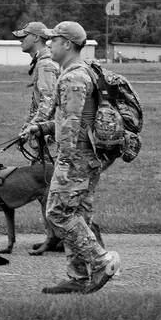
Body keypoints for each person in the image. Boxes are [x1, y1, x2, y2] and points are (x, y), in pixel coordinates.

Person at [21, 21, 121, 293]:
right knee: (78, 214)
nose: (49, 43)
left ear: (67, 43)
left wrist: (63, 162)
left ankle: (100, 262)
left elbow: (72, 124)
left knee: (57, 212)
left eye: (53, 39)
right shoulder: (80, 72)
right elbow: (70, 119)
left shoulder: (73, 78)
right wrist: (40, 127)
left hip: (76, 158)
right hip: (87, 156)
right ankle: (79, 278)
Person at [15, 21, 58, 162]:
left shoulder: (45, 64)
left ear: (36, 38)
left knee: (50, 176)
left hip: (51, 135)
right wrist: (26, 127)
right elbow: (38, 102)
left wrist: (30, 129)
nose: (20, 40)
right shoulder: (42, 61)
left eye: (24, 36)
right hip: (47, 131)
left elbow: (48, 102)